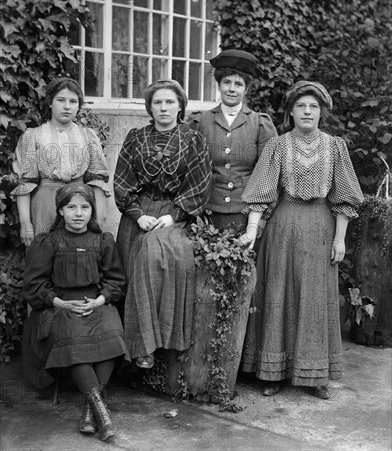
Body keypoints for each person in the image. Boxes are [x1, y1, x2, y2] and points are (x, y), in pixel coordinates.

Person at [240, 80, 364, 399]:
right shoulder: (278, 146)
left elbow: (345, 197)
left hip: (321, 227)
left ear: (321, 113)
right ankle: (272, 372)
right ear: (291, 113)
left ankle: (315, 374)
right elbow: (262, 192)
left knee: (315, 298)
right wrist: (252, 231)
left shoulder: (335, 146)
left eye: (313, 106)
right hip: (283, 226)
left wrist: (340, 240)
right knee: (278, 294)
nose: (307, 111)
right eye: (301, 106)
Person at [114, 79, 212, 369]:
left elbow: (200, 184)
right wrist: (136, 214)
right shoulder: (136, 138)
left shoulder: (194, 140)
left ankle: (151, 346)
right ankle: (126, 352)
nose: (164, 107)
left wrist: (175, 215)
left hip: (176, 212)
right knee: (129, 262)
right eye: (157, 102)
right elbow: (122, 181)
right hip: (138, 212)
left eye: (170, 102)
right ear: (150, 107)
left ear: (180, 106)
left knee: (153, 256)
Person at [22, 183, 129, 441]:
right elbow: (34, 285)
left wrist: (100, 300)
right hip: (59, 306)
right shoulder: (48, 242)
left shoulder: (102, 240)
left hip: (95, 303)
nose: (78, 213)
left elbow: (115, 281)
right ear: (61, 210)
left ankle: (91, 410)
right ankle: (102, 414)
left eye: (84, 207)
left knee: (112, 331)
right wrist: (60, 302)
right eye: (71, 207)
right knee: (73, 337)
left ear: (92, 211)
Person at [11, 77, 110, 246]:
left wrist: (100, 218)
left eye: (73, 101)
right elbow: (24, 183)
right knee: (44, 255)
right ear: (50, 102)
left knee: (80, 258)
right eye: (61, 100)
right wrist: (26, 223)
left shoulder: (88, 136)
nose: (67, 106)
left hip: (80, 202)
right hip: (44, 204)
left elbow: (97, 179)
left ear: (78, 105)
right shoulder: (33, 136)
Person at [188, 49, 276, 233]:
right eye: (226, 82)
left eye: (238, 84)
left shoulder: (260, 124)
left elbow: (268, 175)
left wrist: (261, 219)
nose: (232, 89)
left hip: (246, 215)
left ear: (246, 89)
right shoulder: (200, 122)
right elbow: (190, 171)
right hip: (207, 213)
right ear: (219, 85)